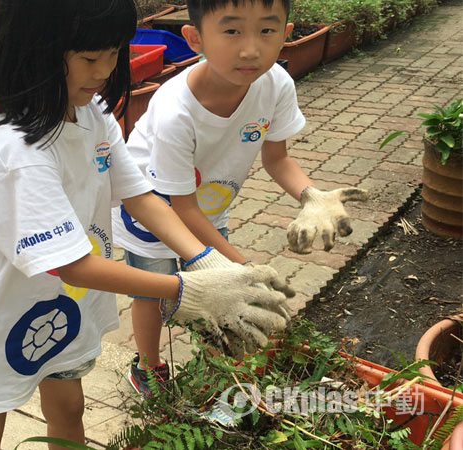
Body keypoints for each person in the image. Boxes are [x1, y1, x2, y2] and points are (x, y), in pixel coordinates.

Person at [0, 1, 296, 449]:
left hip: (62, 312)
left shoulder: (88, 112)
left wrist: (205, 261)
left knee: (68, 408)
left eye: (114, 54)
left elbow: (142, 196)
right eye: (91, 59)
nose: (105, 70)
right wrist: (189, 291)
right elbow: (72, 266)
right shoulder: (20, 153)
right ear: (33, 49)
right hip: (0, 316)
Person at [111, 0, 369, 396]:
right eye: (232, 31)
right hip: (150, 205)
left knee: (217, 286)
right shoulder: (174, 108)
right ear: (195, 38)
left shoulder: (276, 85)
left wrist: (313, 196)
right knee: (152, 289)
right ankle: (148, 364)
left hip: (207, 206)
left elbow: (278, 159)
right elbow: (181, 209)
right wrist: (244, 269)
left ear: (286, 33)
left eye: (266, 30)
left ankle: (218, 365)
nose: (251, 49)